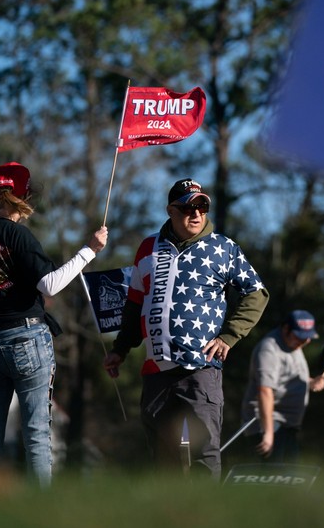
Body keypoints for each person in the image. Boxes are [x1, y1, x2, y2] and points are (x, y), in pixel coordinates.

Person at [0, 161, 108, 487]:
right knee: (36, 433)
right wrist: (90, 250)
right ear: (24, 198)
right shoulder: (19, 235)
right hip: (26, 340)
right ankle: (40, 513)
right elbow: (49, 285)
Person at [102, 178, 269, 479]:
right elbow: (135, 303)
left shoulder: (223, 247)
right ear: (170, 211)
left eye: (202, 206)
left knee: (204, 455)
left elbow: (256, 293)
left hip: (200, 370)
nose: (196, 214)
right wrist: (120, 349)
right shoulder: (148, 248)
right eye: (188, 207)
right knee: (163, 459)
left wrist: (229, 336)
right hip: (156, 373)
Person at [240, 310, 324, 463]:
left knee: (288, 479)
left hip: (287, 426)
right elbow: (265, 390)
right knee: (269, 480)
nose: (304, 341)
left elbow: (285, 376)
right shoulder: (269, 349)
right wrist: (268, 433)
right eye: (299, 336)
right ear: (285, 329)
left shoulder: (294, 345)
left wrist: (311, 383)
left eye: (307, 337)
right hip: (268, 425)